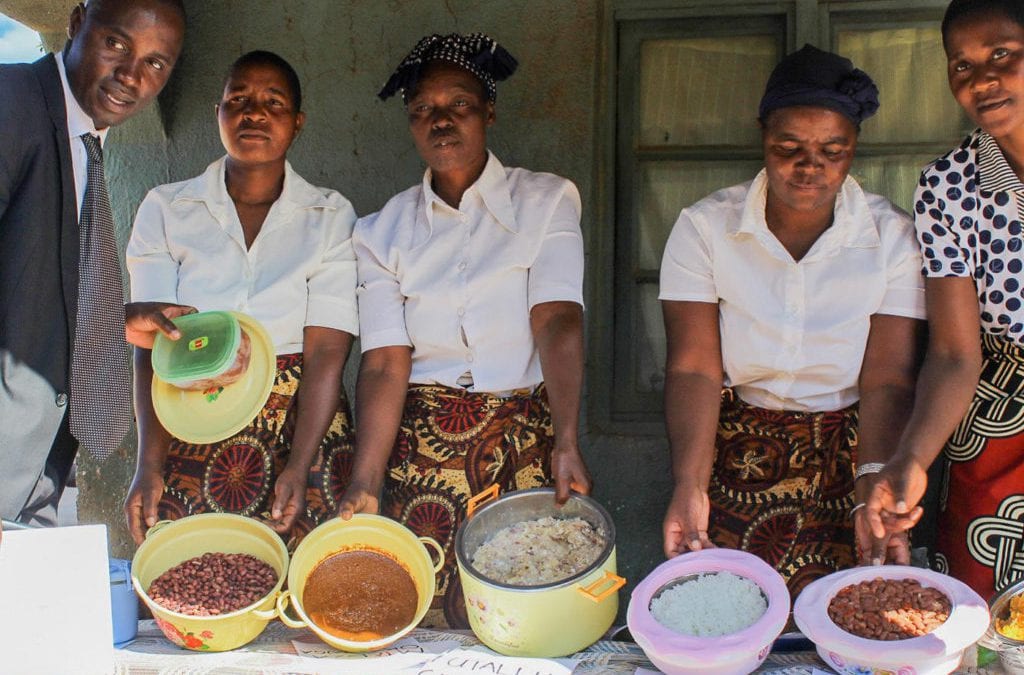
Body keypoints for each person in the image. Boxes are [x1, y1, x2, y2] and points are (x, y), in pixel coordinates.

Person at [337, 33, 593, 628]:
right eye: (424, 110)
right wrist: (367, 481)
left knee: (527, 607)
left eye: (459, 105)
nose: (441, 121)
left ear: (489, 113)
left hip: (522, 441)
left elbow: (557, 319)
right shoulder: (381, 233)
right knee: (418, 616)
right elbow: (382, 361)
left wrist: (567, 439)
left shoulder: (546, 201)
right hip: (423, 451)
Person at [659, 44, 927, 599]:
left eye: (834, 150)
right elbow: (694, 369)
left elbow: (888, 378)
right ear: (762, 135)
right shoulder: (705, 228)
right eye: (789, 147)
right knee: (728, 606)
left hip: (852, 446)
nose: (810, 167)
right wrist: (690, 482)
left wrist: (871, 481)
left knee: (852, 608)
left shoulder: (892, 237)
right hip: (738, 447)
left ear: (854, 149)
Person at [123, 51, 359, 547]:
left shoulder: (329, 215)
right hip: (192, 412)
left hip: (301, 418)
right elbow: (153, 345)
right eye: (239, 100)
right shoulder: (167, 208)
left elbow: (326, 353)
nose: (254, 113)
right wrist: (149, 463)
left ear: (297, 123)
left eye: (273, 102)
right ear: (219, 115)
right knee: (195, 577)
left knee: (310, 576)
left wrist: (300, 464)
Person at [0, 0, 191, 527]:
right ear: (78, 24)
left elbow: (30, 281)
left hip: (31, 478)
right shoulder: (12, 103)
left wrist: (115, 318)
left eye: (156, 63)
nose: (131, 75)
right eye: (117, 45)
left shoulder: (83, 142)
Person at [866, 0, 1024, 601]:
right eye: (961, 65)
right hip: (1001, 415)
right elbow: (957, 353)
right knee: (984, 604)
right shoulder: (949, 186)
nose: (981, 78)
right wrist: (911, 457)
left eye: (1002, 54)